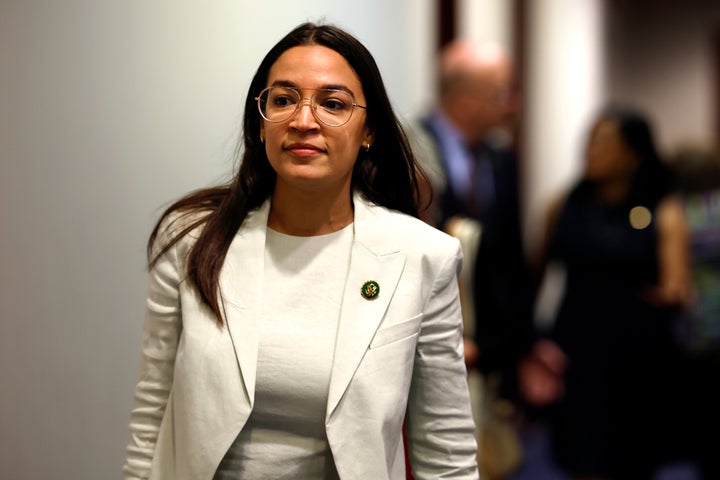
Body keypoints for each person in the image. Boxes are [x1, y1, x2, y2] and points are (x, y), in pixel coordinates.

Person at [122, 22, 479, 480]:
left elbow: (445, 450)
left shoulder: (421, 256)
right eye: (283, 99)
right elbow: (152, 410)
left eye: (333, 104)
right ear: (261, 121)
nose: (303, 121)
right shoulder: (194, 238)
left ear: (368, 131)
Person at [518, 106, 692, 480]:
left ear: (633, 154)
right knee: (582, 457)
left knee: (632, 459)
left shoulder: (662, 209)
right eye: (590, 140)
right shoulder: (564, 204)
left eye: (605, 142)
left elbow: (678, 285)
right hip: (577, 351)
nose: (592, 150)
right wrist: (531, 338)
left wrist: (667, 295)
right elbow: (534, 275)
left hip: (637, 355)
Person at [415, 39, 535, 414]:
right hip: (435, 348)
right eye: (502, 93)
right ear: (465, 99)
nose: (512, 105)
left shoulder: (501, 156)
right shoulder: (408, 151)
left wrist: (519, 345)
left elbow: (511, 258)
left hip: (493, 355)